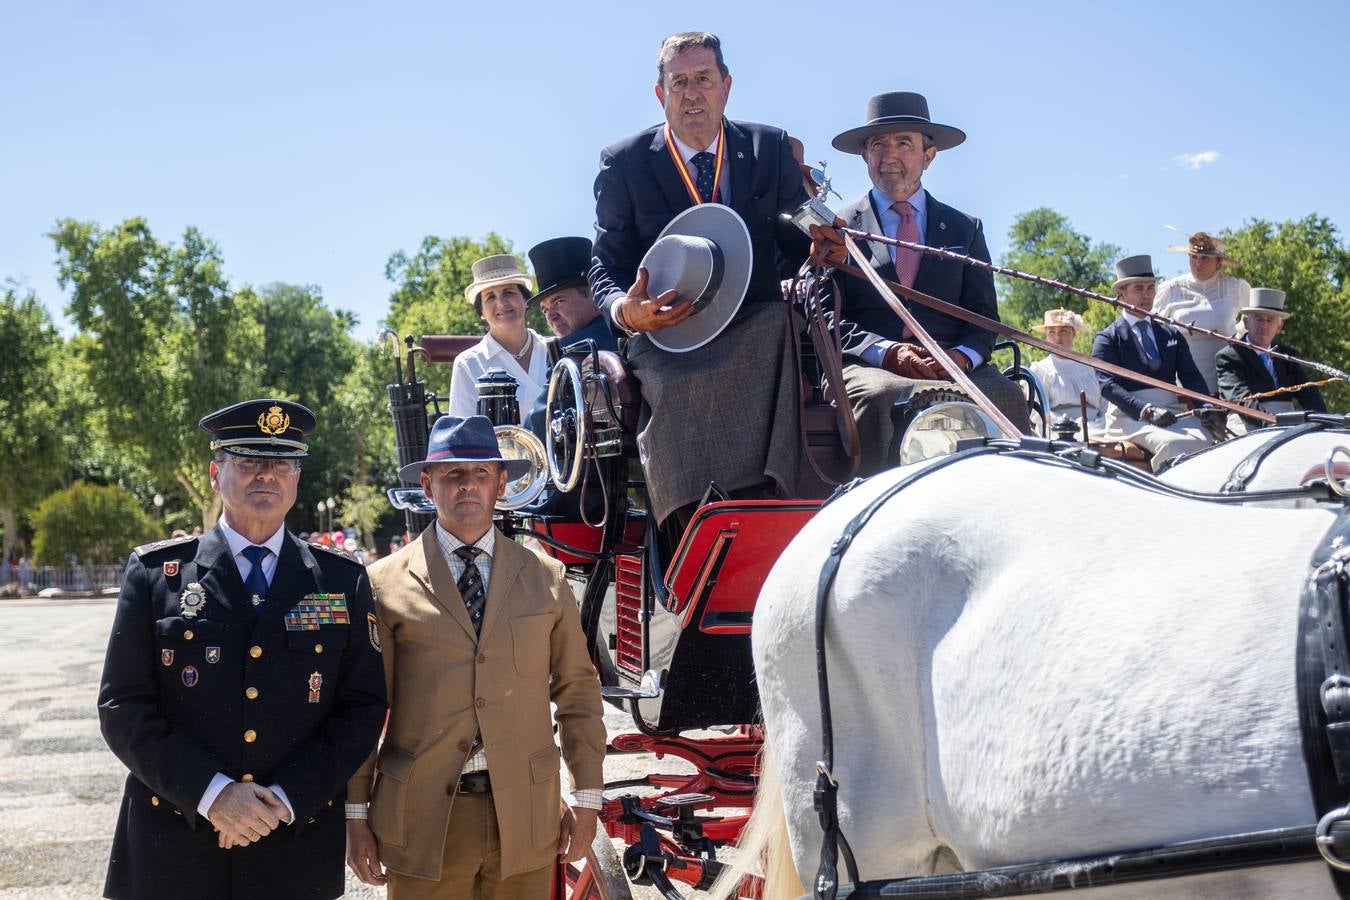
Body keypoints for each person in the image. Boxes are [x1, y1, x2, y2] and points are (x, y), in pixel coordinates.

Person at [97, 399, 387, 900]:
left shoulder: (339, 582)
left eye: (280, 464)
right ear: (215, 473)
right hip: (175, 848)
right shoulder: (156, 576)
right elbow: (123, 707)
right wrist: (212, 795)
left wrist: (283, 798)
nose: (265, 477)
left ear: (296, 479)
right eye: (248, 462)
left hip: (291, 845)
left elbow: (361, 708)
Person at [345, 415, 606, 899]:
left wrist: (588, 798)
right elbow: (363, 707)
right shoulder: (381, 585)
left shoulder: (546, 578)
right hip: (423, 821)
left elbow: (578, 691)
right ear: (427, 485)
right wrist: (356, 815)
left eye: (481, 473)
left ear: (501, 482)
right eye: (452, 474)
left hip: (525, 817)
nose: (468, 485)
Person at [589, 30, 811, 526]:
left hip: (756, 325)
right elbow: (604, 267)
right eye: (679, 82)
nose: (692, 94)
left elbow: (803, 244)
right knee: (668, 385)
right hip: (668, 336)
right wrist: (626, 311)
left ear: (726, 86)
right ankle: (688, 528)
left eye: (704, 80)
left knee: (781, 331)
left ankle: (769, 509)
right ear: (659, 94)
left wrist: (826, 247)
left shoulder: (769, 147)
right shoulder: (623, 164)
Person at [815, 91, 1031, 475]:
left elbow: (983, 317)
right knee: (879, 395)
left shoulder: (966, 228)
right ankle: (867, 505)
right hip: (870, 366)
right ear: (865, 156)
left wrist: (962, 357)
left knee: (1006, 394)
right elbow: (824, 315)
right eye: (878, 144)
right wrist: (886, 353)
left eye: (903, 144)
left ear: (928, 156)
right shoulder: (837, 228)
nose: (889, 156)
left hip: (953, 364)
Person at [1092, 256, 1214, 470]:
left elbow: (1191, 376)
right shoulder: (1108, 338)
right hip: (1128, 417)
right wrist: (1146, 410)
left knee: (1207, 439)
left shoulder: (1170, 333)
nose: (1147, 296)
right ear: (1121, 292)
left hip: (1173, 412)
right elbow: (1107, 386)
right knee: (1173, 444)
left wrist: (1207, 407)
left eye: (1151, 288)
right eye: (1139, 289)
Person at [525, 236, 617, 439]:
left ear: (593, 295)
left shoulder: (572, 348)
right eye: (545, 309)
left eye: (558, 302)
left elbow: (541, 422)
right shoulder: (627, 327)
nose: (551, 315)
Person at [448, 255, 548, 422]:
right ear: (481, 311)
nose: (501, 303)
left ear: (526, 300)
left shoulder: (553, 350)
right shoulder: (468, 364)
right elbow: (465, 437)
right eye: (490, 297)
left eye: (509, 292)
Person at [1216, 287, 1326, 433]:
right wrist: (1272, 422)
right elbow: (1240, 400)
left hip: (1287, 421)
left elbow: (1308, 392)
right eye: (1259, 319)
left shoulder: (1287, 355)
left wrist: (1323, 421)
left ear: (1279, 326)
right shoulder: (1229, 356)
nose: (1264, 326)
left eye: (1270, 320)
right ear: (1246, 322)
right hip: (1245, 421)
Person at [1153, 231, 1252, 392]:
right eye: (1193, 257)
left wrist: (1237, 336)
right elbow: (1154, 327)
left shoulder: (1235, 287)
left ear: (1218, 261)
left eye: (1205, 258)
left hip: (1227, 374)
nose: (1198, 263)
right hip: (1182, 375)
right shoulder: (1171, 288)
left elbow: (1255, 323)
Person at [1027, 308, 1104, 435]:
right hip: (1059, 431)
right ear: (1046, 336)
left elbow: (1105, 404)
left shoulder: (1091, 368)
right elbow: (1037, 412)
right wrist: (1071, 425)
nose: (1057, 337)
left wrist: (1102, 423)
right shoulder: (1040, 370)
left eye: (1063, 331)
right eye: (1051, 332)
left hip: (1096, 427)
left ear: (1074, 333)